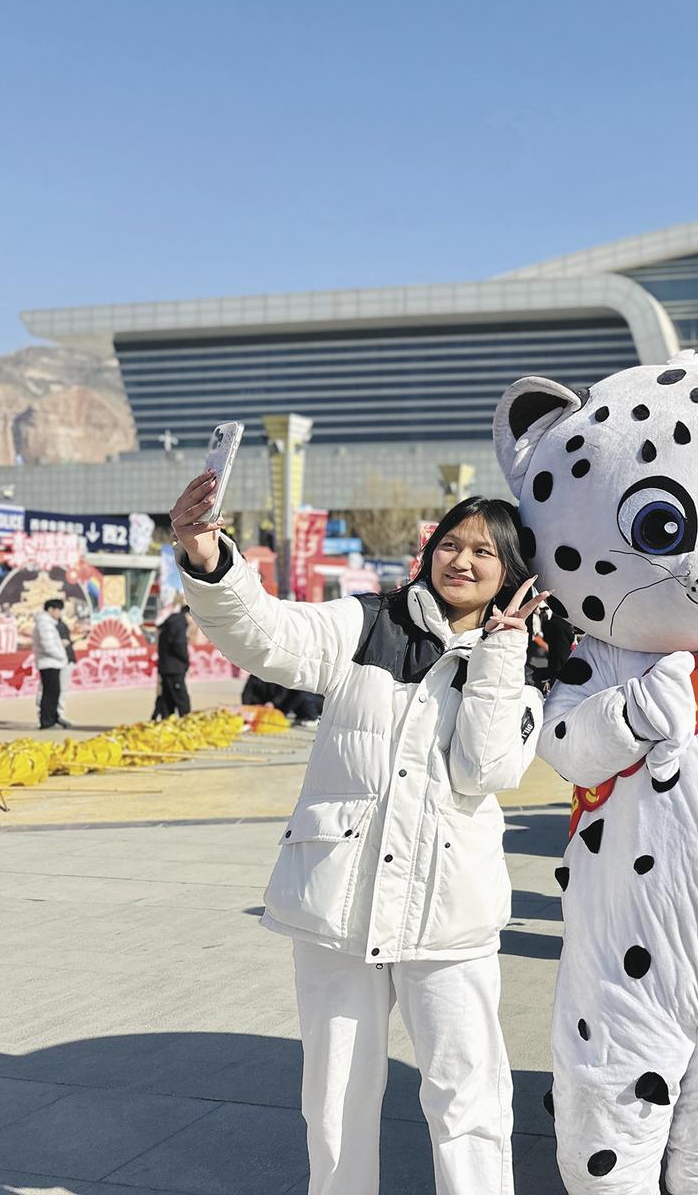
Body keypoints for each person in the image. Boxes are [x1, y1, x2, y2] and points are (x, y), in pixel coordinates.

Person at [170, 474, 547, 1194]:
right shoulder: (368, 623)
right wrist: (208, 559)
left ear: (511, 572)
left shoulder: (523, 667)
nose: (461, 561)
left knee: (468, 1096)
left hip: (450, 916)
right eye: (451, 543)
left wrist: (502, 653)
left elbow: (486, 769)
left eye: (484, 552)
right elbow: (268, 635)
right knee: (335, 1099)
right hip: (339, 907)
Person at [31, 599, 70, 729]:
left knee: (54, 692)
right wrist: (61, 656)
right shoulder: (44, 625)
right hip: (48, 663)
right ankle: (47, 721)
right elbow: (48, 645)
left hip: (53, 662)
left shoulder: (49, 624)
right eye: (58, 610)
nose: (60, 613)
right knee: (49, 693)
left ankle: (53, 718)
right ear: (50, 609)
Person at [153, 605, 193, 720]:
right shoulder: (180, 623)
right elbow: (179, 644)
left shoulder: (171, 621)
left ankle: (167, 722)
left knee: (167, 698)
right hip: (175, 668)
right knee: (181, 699)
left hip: (165, 667)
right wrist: (186, 661)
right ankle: (186, 723)